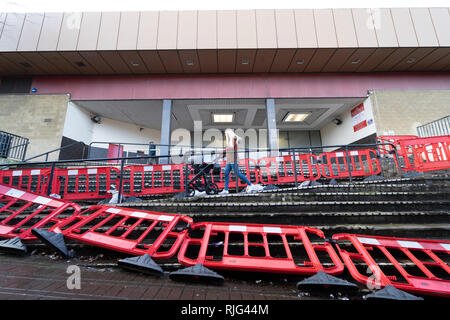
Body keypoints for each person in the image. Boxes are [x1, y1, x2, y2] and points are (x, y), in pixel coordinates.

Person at [219, 129, 256, 194]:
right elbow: (227, 150)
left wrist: (235, 138)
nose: (226, 135)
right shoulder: (228, 143)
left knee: (237, 174)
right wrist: (222, 154)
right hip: (229, 161)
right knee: (226, 173)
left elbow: (238, 142)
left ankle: (250, 184)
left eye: (226, 134)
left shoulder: (234, 141)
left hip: (234, 161)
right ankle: (226, 189)